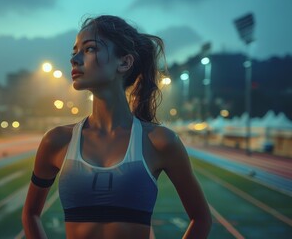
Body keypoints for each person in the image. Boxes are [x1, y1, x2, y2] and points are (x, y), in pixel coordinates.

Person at [22, 15, 212, 239]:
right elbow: (30, 214)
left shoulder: (160, 142)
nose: (74, 59)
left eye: (90, 49)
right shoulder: (57, 141)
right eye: (74, 51)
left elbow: (201, 219)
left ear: (124, 62)